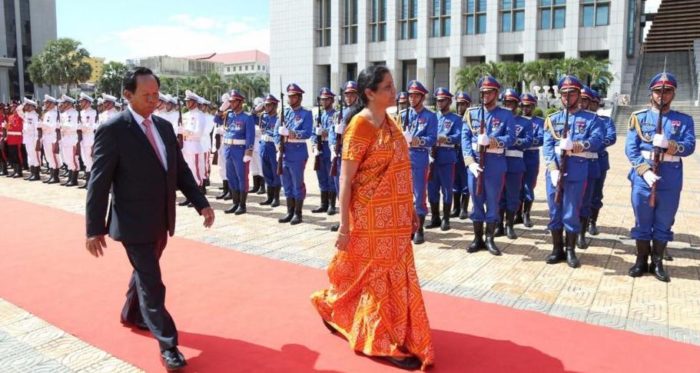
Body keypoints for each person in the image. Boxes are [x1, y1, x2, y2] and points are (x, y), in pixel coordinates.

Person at [85, 67, 214, 370]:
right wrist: (94, 229)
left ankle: (130, 313)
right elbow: (98, 182)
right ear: (127, 95)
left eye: (157, 94)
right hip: (131, 221)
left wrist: (201, 203)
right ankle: (168, 345)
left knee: (144, 274)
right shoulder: (113, 129)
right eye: (147, 95)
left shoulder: (165, 127)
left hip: (161, 219)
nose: (154, 100)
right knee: (152, 281)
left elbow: (179, 170)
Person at [311, 65, 434, 371]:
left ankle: (338, 308)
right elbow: (346, 179)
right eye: (389, 87)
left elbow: (402, 172)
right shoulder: (360, 126)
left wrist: (410, 210)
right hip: (368, 216)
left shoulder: (391, 123)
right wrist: (344, 224)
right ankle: (380, 337)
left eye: (394, 86)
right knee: (375, 275)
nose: (396, 91)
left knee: (391, 272)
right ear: (370, 93)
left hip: (395, 217)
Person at [625, 72, 695, 282]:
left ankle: (657, 262)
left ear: (673, 93)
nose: (662, 95)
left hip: (670, 177)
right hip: (644, 176)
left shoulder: (683, 120)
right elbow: (631, 148)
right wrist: (644, 170)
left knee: (664, 221)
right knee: (642, 219)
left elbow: (690, 146)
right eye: (658, 91)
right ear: (651, 93)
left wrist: (670, 146)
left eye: (667, 91)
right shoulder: (639, 118)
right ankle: (640, 260)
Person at [543, 75, 602, 268]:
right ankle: (556, 249)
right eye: (564, 94)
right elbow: (547, 145)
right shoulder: (552, 120)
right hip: (555, 172)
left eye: (572, 93)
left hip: (577, 171)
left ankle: (570, 250)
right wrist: (552, 169)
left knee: (571, 211)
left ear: (578, 94)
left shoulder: (591, 118)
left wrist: (576, 145)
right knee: (554, 211)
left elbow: (596, 141)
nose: (567, 97)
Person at [462, 76, 515, 256]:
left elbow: (511, 138)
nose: (485, 95)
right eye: (482, 92)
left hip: (495, 164)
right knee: (476, 202)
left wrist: (493, 141)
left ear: (496, 93)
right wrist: (469, 162)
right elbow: (465, 139)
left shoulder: (506, 114)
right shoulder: (471, 114)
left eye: (489, 92)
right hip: (475, 164)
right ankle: (477, 238)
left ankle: (490, 239)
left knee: (493, 202)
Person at [404, 80, 438, 244]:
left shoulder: (430, 116)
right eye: (410, 95)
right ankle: (407, 227)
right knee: (404, 195)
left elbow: (432, 139)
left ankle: (419, 229)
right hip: (403, 159)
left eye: (415, 95)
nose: (411, 98)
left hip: (419, 157)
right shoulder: (403, 115)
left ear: (422, 97)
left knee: (419, 195)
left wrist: (415, 140)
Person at [496, 89, 532, 239]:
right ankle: (498, 226)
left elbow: (528, 141)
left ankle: (509, 225)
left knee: (512, 195)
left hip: (515, 163)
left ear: (517, 104)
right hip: (498, 161)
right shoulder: (498, 119)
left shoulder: (525, 122)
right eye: (506, 102)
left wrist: (515, 141)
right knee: (498, 196)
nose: (509, 105)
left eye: (512, 103)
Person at [425, 87, 462, 231]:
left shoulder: (456, 119)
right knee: (432, 188)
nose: (439, 103)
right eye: (438, 100)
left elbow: (458, 137)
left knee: (447, 188)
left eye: (442, 100)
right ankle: (435, 217)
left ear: (449, 101)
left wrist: (445, 138)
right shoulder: (433, 116)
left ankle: (446, 218)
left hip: (447, 156)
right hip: (432, 156)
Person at [277, 83, 312, 225]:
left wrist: (291, 133)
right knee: (287, 184)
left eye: (293, 97)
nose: (290, 99)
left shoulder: (306, 113)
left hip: (297, 153)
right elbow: (276, 131)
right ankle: (289, 212)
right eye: (289, 97)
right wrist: (278, 144)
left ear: (299, 98)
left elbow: (307, 133)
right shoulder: (284, 112)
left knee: (297, 184)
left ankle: (298, 213)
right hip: (284, 153)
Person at [328, 81, 361, 232]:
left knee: (352, 190)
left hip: (352, 156)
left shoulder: (360, 113)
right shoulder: (337, 113)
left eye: (352, 94)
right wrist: (332, 146)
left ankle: (355, 221)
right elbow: (331, 132)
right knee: (339, 188)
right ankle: (344, 220)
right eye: (347, 94)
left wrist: (346, 130)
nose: (349, 97)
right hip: (339, 154)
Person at [586, 89, 616, 236]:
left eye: (595, 103)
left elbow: (611, 137)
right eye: (589, 102)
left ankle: (592, 221)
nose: (591, 105)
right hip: (580, 161)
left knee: (596, 193)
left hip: (599, 160)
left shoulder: (606, 120)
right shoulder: (579, 119)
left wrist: (596, 144)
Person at [222, 89, 255, 215]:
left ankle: (242, 205)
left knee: (242, 178)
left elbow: (250, 136)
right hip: (229, 150)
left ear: (240, 102)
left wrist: (249, 152)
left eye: (233, 101)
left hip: (240, 151)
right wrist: (222, 108)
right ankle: (235, 203)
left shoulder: (247, 118)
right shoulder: (229, 115)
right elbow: (216, 120)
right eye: (230, 101)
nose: (231, 103)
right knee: (231, 177)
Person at [518, 93, 544, 228]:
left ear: (533, 106)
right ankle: (516, 213)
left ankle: (526, 213)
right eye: (522, 105)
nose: (525, 109)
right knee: (516, 184)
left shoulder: (539, 122)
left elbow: (541, 138)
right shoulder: (515, 119)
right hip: (517, 155)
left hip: (531, 155)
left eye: (528, 106)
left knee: (528, 185)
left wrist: (525, 142)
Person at [311, 87, 336, 215]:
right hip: (320, 149)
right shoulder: (318, 116)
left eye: (326, 99)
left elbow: (335, 132)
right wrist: (314, 145)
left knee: (331, 176)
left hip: (329, 148)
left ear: (331, 100)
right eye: (322, 100)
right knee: (321, 177)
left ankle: (332, 205)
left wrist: (324, 132)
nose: (324, 102)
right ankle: (323, 204)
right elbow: (313, 133)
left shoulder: (335, 115)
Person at [258, 94, 282, 207]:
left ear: (275, 105)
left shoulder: (279, 118)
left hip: (273, 147)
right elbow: (252, 115)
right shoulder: (264, 116)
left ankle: (276, 198)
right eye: (265, 105)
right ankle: (269, 197)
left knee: (275, 172)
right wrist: (258, 107)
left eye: (268, 105)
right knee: (266, 172)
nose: (266, 107)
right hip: (263, 146)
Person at [451, 91, 472, 220]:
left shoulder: (470, 118)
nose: (460, 107)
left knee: (465, 181)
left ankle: (464, 208)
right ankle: (456, 207)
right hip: (454, 152)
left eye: (463, 104)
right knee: (455, 180)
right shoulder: (453, 118)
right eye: (458, 104)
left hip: (465, 153)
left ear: (468, 105)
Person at [77, 93, 97, 189]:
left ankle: (91, 182)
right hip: (83, 138)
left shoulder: (93, 112)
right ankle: (88, 181)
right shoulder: (81, 113)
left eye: (82, 101)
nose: (80, 103)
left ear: (88, 102)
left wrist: (83, 127)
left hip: (90, 138)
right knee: (85, 161)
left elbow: (93, 127)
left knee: (90, 161)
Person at [40, 95, 61, 184]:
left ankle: (55, 176)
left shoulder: (56, 114)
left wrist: (45, 126)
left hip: (52, 136)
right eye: (45, 103)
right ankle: (52, 175)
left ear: (52, 104)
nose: (45, 104)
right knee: (48, 157)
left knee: (53, 157)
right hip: (46, 137)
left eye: (47, 103)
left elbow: (55, 126)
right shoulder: (46, 113)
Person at [19, 98, 41, 181]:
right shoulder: (26, 114)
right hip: (27, 138)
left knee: (34, 156)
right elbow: (18, 110)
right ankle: (32, 173)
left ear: (32, 106)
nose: (25, 107)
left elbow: (37, 129)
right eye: (25, 105)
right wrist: (23, 105)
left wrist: (37, 141)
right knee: (30, 156)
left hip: (33, 138)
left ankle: (36, 174)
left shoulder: (35, 116)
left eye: (27, 105)